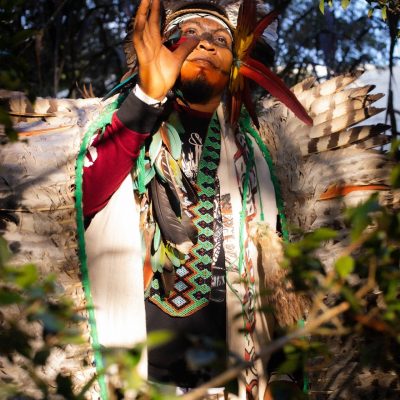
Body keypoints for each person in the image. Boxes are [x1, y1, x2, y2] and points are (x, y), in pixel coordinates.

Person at [82, 0, 307, 398]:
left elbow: (281, 275)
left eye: (220, 38)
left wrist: (286, 374)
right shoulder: (119, 123)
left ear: (239, 66)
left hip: (232, 384)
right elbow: (81, 201)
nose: (204, 43)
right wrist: (147, 99)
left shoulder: (258, 154)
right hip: (136, 383)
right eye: (188, 34)